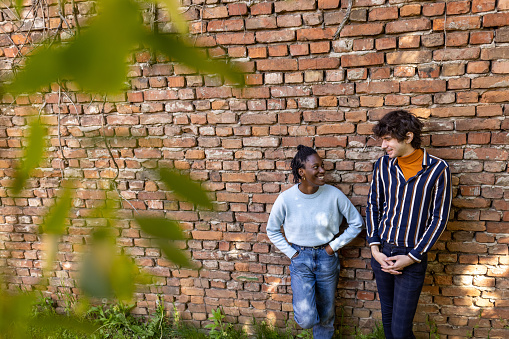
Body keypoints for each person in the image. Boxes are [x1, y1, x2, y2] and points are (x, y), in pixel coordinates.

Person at [366, 110, 452, 339]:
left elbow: (439, 218)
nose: (383, 145)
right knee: (387, 321)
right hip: (383, 254)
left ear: (408, 137)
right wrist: (375, 249)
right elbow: (373, 206)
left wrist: (413, 256)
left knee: (400, 331)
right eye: (382, 139)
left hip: (411, 258)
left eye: (387, 139)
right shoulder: (382, 166)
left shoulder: (437, 169)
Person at [267, 145, 364, 339]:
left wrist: (332, 247)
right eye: (316, 167)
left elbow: (356, 223)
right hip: (300, 259)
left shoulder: (333, 194)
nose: (322, 171)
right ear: (301, 172)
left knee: (326, 314)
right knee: (307, 318)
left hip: (327, 258)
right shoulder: (286, 199)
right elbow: (272, 230)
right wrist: (292, 253)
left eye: (322, 166)